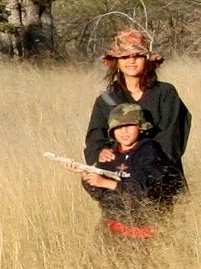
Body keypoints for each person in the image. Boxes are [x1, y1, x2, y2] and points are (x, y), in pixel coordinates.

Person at [83, 29, 191, 187]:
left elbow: (172, 136)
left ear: (147, 60)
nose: (131, 61)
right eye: (125, 56)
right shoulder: (106, 99)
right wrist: (100, 152)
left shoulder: (165, 93)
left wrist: (148, 164)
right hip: (118, 177)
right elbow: (96, 136)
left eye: (138, 56)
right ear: (117, 62)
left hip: (161, 177)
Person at [78, 102, 183, 237]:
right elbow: (98, 195)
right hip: (110, 230)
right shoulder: (109, 154)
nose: (124, 131)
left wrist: (106, 182)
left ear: (140, 127)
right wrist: (87, 178)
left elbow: (142, 191)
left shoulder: (150, 153)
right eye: (118, 127)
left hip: (143, 235)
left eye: (129, 125)